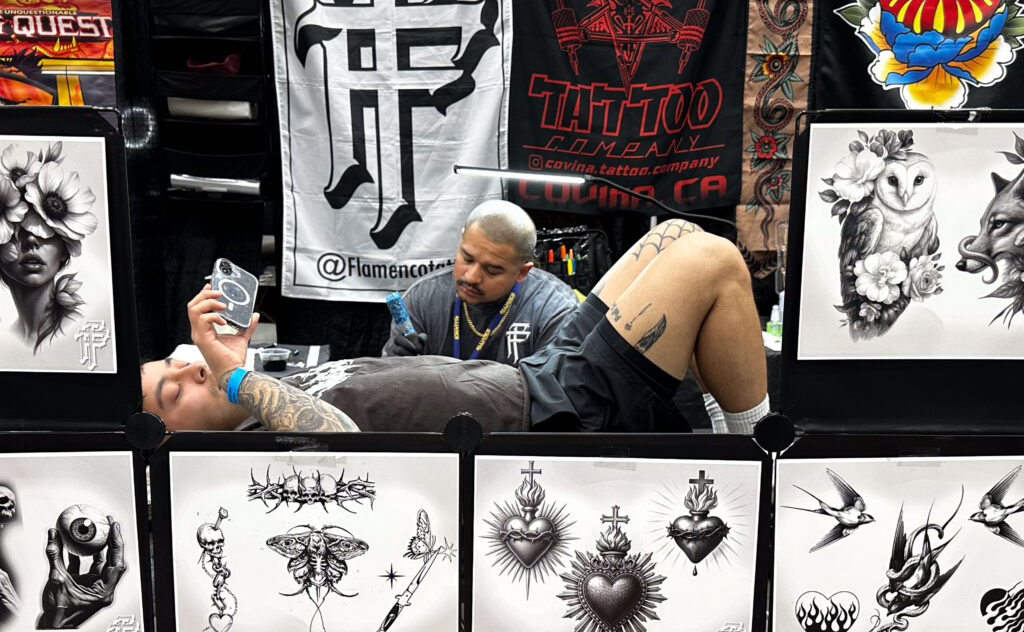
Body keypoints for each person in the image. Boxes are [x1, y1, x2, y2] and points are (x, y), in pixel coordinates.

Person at [141, 219, 768, 435]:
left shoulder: (267, 397)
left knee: (674, 235)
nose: (190, 369)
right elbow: (340, 436)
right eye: (173, 392)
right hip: (555, 417)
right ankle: (759, 451)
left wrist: (235, 366)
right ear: (166, 441)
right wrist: (234, 376)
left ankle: (720, 427)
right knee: (711, 260)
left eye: (176, 363)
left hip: (536, 377)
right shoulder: (255, 441)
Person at [381, 199, 578, 364]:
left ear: (522, 272)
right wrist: (398, 366)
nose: (471, 277)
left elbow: (552, 393)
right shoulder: (423, 299)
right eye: (467, 259)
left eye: (492, 270)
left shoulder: (554, 311)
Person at [0, 144, 98, 352]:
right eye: (17, 227)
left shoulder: (78, 330)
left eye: (46, 229)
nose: (31, 240)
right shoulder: (7, 342)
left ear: (65, 247)